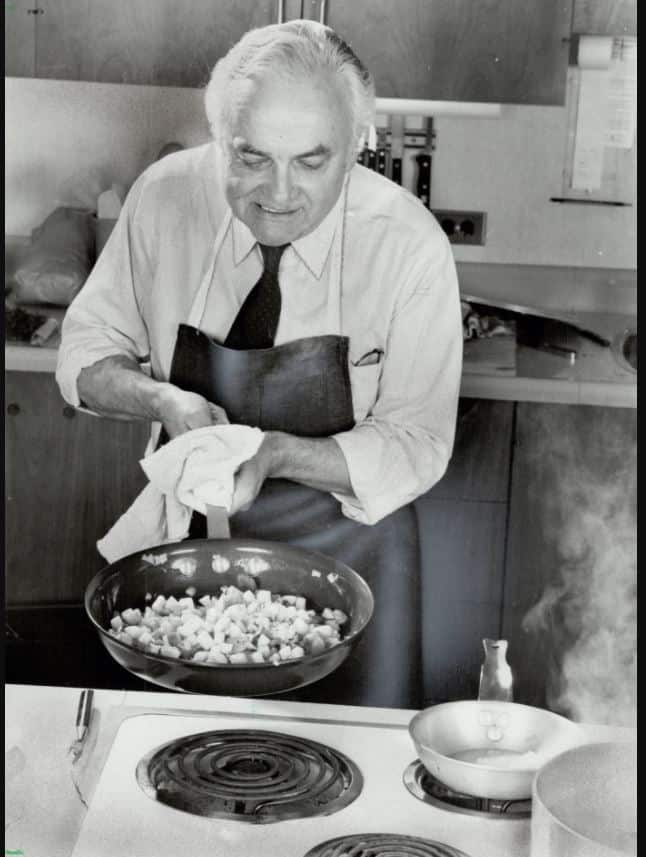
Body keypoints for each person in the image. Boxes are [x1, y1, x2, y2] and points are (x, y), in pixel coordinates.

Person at [56, 20, 463, 709]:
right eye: (249, 157)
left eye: (311, 162)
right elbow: (84, 352)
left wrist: (273, 452)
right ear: (220, 136)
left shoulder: (407, 245)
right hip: (192, 554)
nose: (278, 192)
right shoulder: (165, 197)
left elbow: (418, 441)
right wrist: (161, 401)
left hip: (355, 560)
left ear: (356, 147)